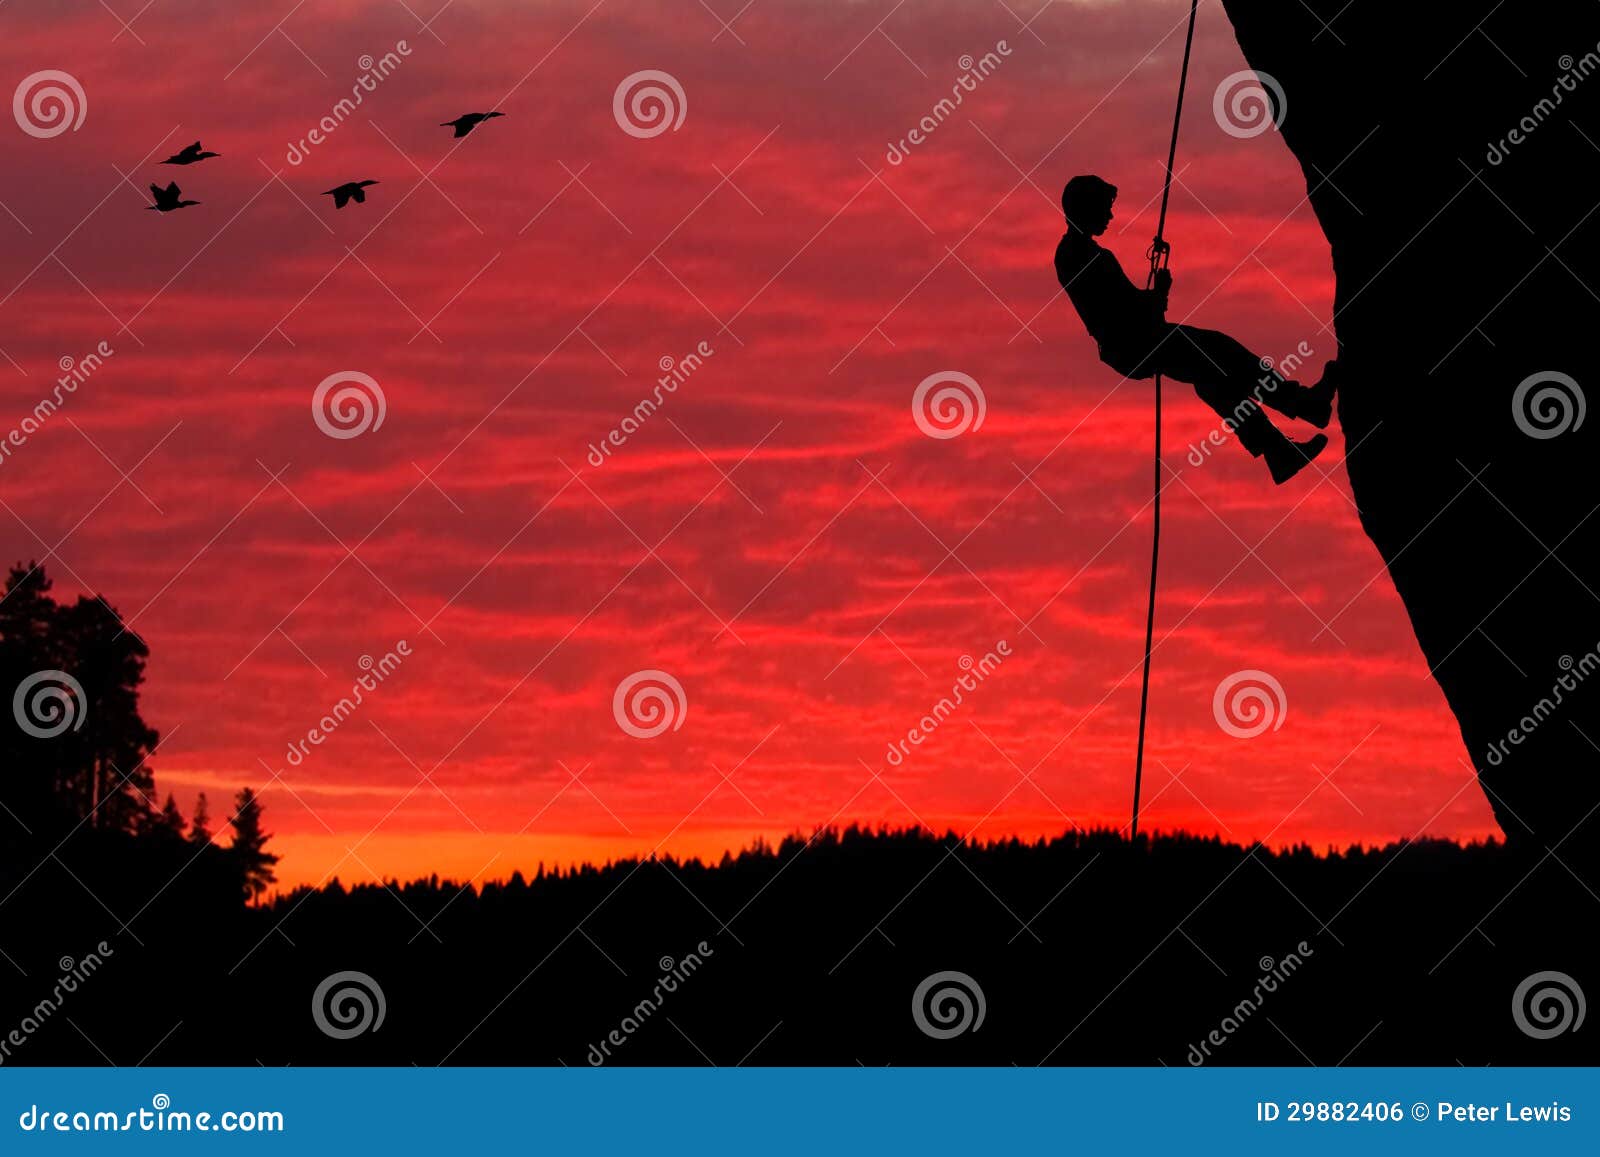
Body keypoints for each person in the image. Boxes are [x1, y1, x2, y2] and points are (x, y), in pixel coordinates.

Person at [1054, 174, 1336, 483]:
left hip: (1130, 346)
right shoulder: (1087, 257)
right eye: (1104, 208)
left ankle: (1280, 445)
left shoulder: (1076, 254)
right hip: (1134, 344)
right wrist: (1160, 292)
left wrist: (1154, 298)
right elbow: (1129, 309)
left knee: (1214, 377)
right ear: (1086, 208)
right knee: (1222, 352)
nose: (1110, 216)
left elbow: (1128, 307)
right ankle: (1300, 410)